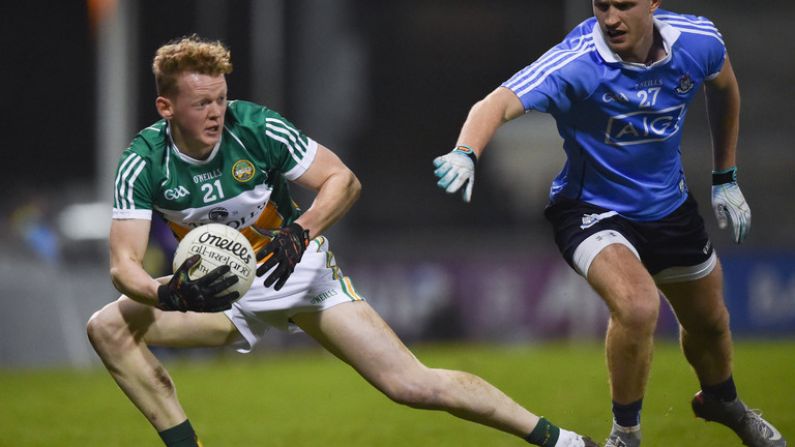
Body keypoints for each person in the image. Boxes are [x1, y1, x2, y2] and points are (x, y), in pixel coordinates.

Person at [87, 35, 597, 447]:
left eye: (220, 98)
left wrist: (300, 231)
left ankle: (564, 442)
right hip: (221, 294)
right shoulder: (143, 162)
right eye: (202, 103)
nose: (217, 111)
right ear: (165, 107)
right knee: (107, 328)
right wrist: (166, 294)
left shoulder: (257, 126)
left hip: (301, 274)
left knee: (412, 385)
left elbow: (343, 180)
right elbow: (123, 265)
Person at [433, 1, 787, 446]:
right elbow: (496, 103)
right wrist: (466, 152)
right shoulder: (578, 61)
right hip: (590, 210)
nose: (611, 17)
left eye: (624, 5)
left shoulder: (699, 42)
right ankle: (626, 435)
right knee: (638, 306)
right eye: (602, 5)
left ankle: (723, 401)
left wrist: (725, 178)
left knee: (710, 322)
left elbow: (725, 89)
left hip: (669, 208)